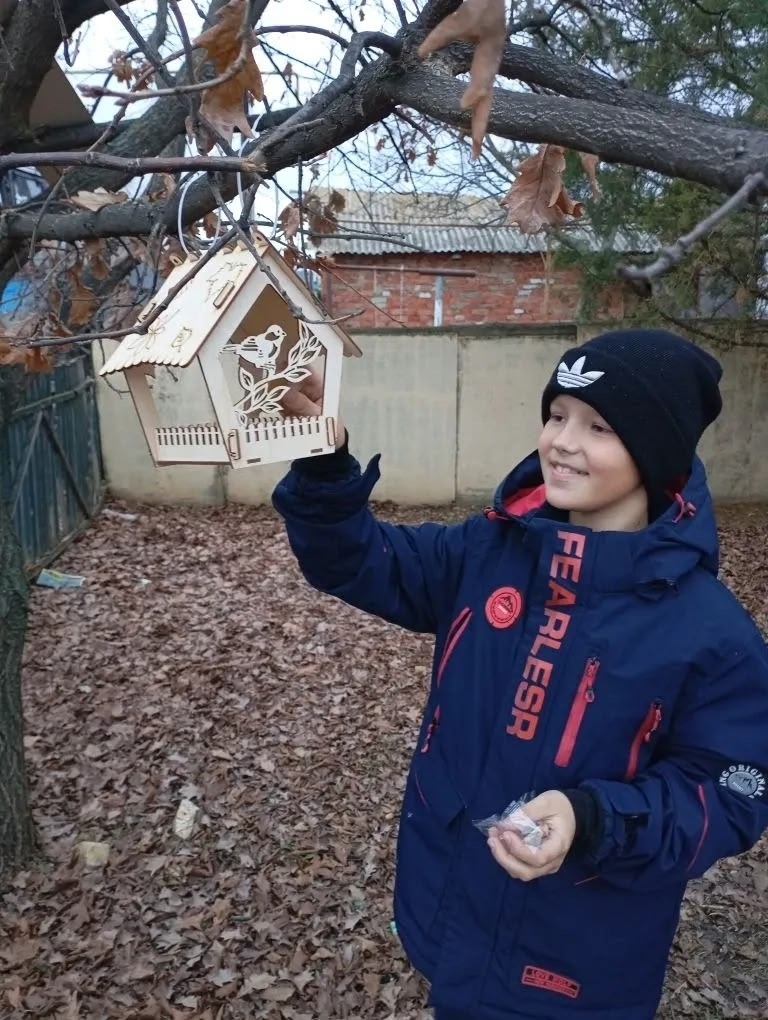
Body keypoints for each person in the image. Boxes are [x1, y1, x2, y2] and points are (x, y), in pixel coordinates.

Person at [272, 328, 768, 1020]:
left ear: (656, 454)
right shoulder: (490, 552)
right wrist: (324, 463)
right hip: (448, 909)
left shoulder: (710, 634)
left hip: (577, 960)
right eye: (557, 414)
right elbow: (359, 562)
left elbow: (733, 793)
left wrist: (593, 818)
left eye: (598, 427)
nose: (562, 441)